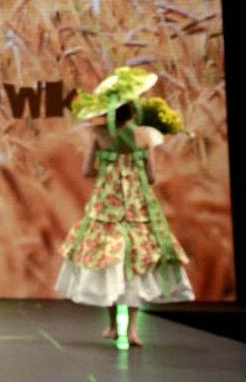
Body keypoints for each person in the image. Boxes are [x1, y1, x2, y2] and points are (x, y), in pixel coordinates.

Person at [55, 67, 195, 346]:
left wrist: (109, 170)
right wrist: (131, 171)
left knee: (108, 262)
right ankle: (132, 329)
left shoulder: (98, 135)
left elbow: (87, 171)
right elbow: (152, 176)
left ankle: (111, 326)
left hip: (106, 206)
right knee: (135, 263)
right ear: (133, 109)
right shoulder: (145, 136)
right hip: (136, 206)